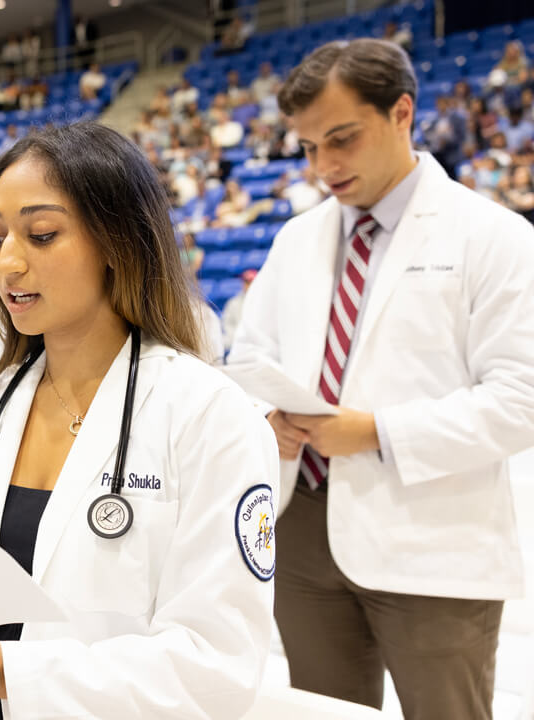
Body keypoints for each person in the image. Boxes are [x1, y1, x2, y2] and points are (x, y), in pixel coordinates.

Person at [0, 122, 277, 719]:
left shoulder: (209, 417)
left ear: (118, 242)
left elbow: (217, 668)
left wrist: (5, 672)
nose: (7, 263)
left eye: (41, 235)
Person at [228, 39, 534, 719]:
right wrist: (267, 421)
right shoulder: (297, 239)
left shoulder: (493, 237)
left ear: (402, 112)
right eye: (307, 148)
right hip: (303, 527)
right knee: (322, 713)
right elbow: (251, 361)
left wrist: (373, 432)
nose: (323, 166)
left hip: (432, 533)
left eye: (341, 139)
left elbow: (521, 399)